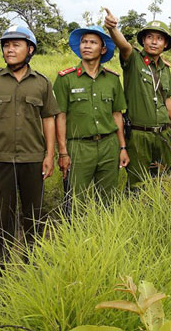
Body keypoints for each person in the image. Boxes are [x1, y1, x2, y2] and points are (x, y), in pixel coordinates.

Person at [0, 25, 59, 263]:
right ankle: (1, 260)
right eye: (6, 45)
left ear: (30, 49)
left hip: (33, 158)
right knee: (1, 213)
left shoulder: (42, 83)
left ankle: (33, 257)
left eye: (16, 45)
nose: (10, 50)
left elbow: (49, 120)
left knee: (34, 213)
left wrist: (49, 155)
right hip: (0, 158)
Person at [104, 9, 171, 188]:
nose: (154, 41)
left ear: (165, 44)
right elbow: (124, 45)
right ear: (143, 40)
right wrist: (113, 29)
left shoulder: (165, 69)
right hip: (139, 135)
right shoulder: (133, 59)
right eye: (149, 37)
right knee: (138, 184)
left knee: (164, 180)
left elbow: (167, 100)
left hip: (163, 134)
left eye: (159, 38)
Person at [53, 25, 129, 210]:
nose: (87, 46)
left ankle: (105, 237)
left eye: (93, 42)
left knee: (107, 200)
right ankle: (74, 236)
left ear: (103, 49)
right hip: (79, 147)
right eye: (84, 42)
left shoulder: (112, 79)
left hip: (108, 146)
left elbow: (117, 115)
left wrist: (122, 147)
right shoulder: (66, 78)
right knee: (75, 201)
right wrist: (63, 152)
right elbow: (60, 117)